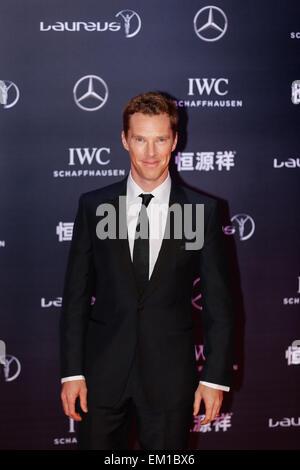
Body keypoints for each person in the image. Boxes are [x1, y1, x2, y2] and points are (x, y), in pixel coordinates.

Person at [60, 91, 234, 450]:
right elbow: (75, 295)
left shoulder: (201, 211)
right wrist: (72, 371)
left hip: (170, 378)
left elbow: (219, 303)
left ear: (174, 141)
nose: (150, 153)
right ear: (125, 140)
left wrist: (214, 378)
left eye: (160, 140)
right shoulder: (95, 206)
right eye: (140, 139)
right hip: (101, 376)